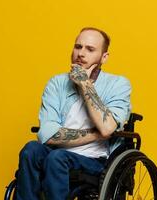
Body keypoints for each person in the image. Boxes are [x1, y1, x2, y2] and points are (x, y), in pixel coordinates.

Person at [15, 27, 132, 200]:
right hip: (56, 154)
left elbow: (107, 128)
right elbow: (47, 135)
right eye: (78, 47)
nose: (81, 54)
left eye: (90, 49)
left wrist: (85, 84)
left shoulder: (118, 84)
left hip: (94, 160)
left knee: (57, 157)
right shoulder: (56, 84)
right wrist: (97, 134)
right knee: (30, 150)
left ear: (104, 57)